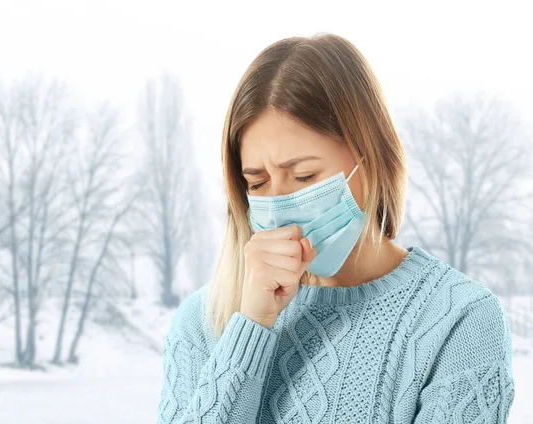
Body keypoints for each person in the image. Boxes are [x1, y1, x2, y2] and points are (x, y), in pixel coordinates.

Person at [156, 33, 515, 423]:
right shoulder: (203, 321)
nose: (279, 207)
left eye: (305, 175)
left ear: (371, 158)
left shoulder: (458, 320)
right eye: (257, 183)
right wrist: (252, 326)